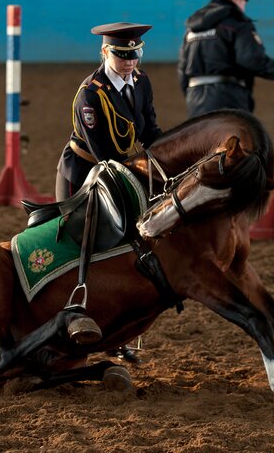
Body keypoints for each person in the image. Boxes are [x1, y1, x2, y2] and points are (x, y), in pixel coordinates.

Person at [55, 22, 164, 363]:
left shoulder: (142, 82)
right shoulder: (91, 93)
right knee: (82, 249)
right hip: (85, 174)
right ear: (104, 52)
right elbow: (103, 153)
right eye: (121, 54)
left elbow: (151, 129)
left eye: (134, 54)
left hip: (126, 170)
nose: (129, 61)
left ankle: (121, 336)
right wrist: (140, 165)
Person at [177, 0, 274, 118]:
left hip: (194, 100)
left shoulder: (192, 29)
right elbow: (251, 59)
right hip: (228, 97)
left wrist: (192, 95)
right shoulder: (236, 22)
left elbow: (182, 70)